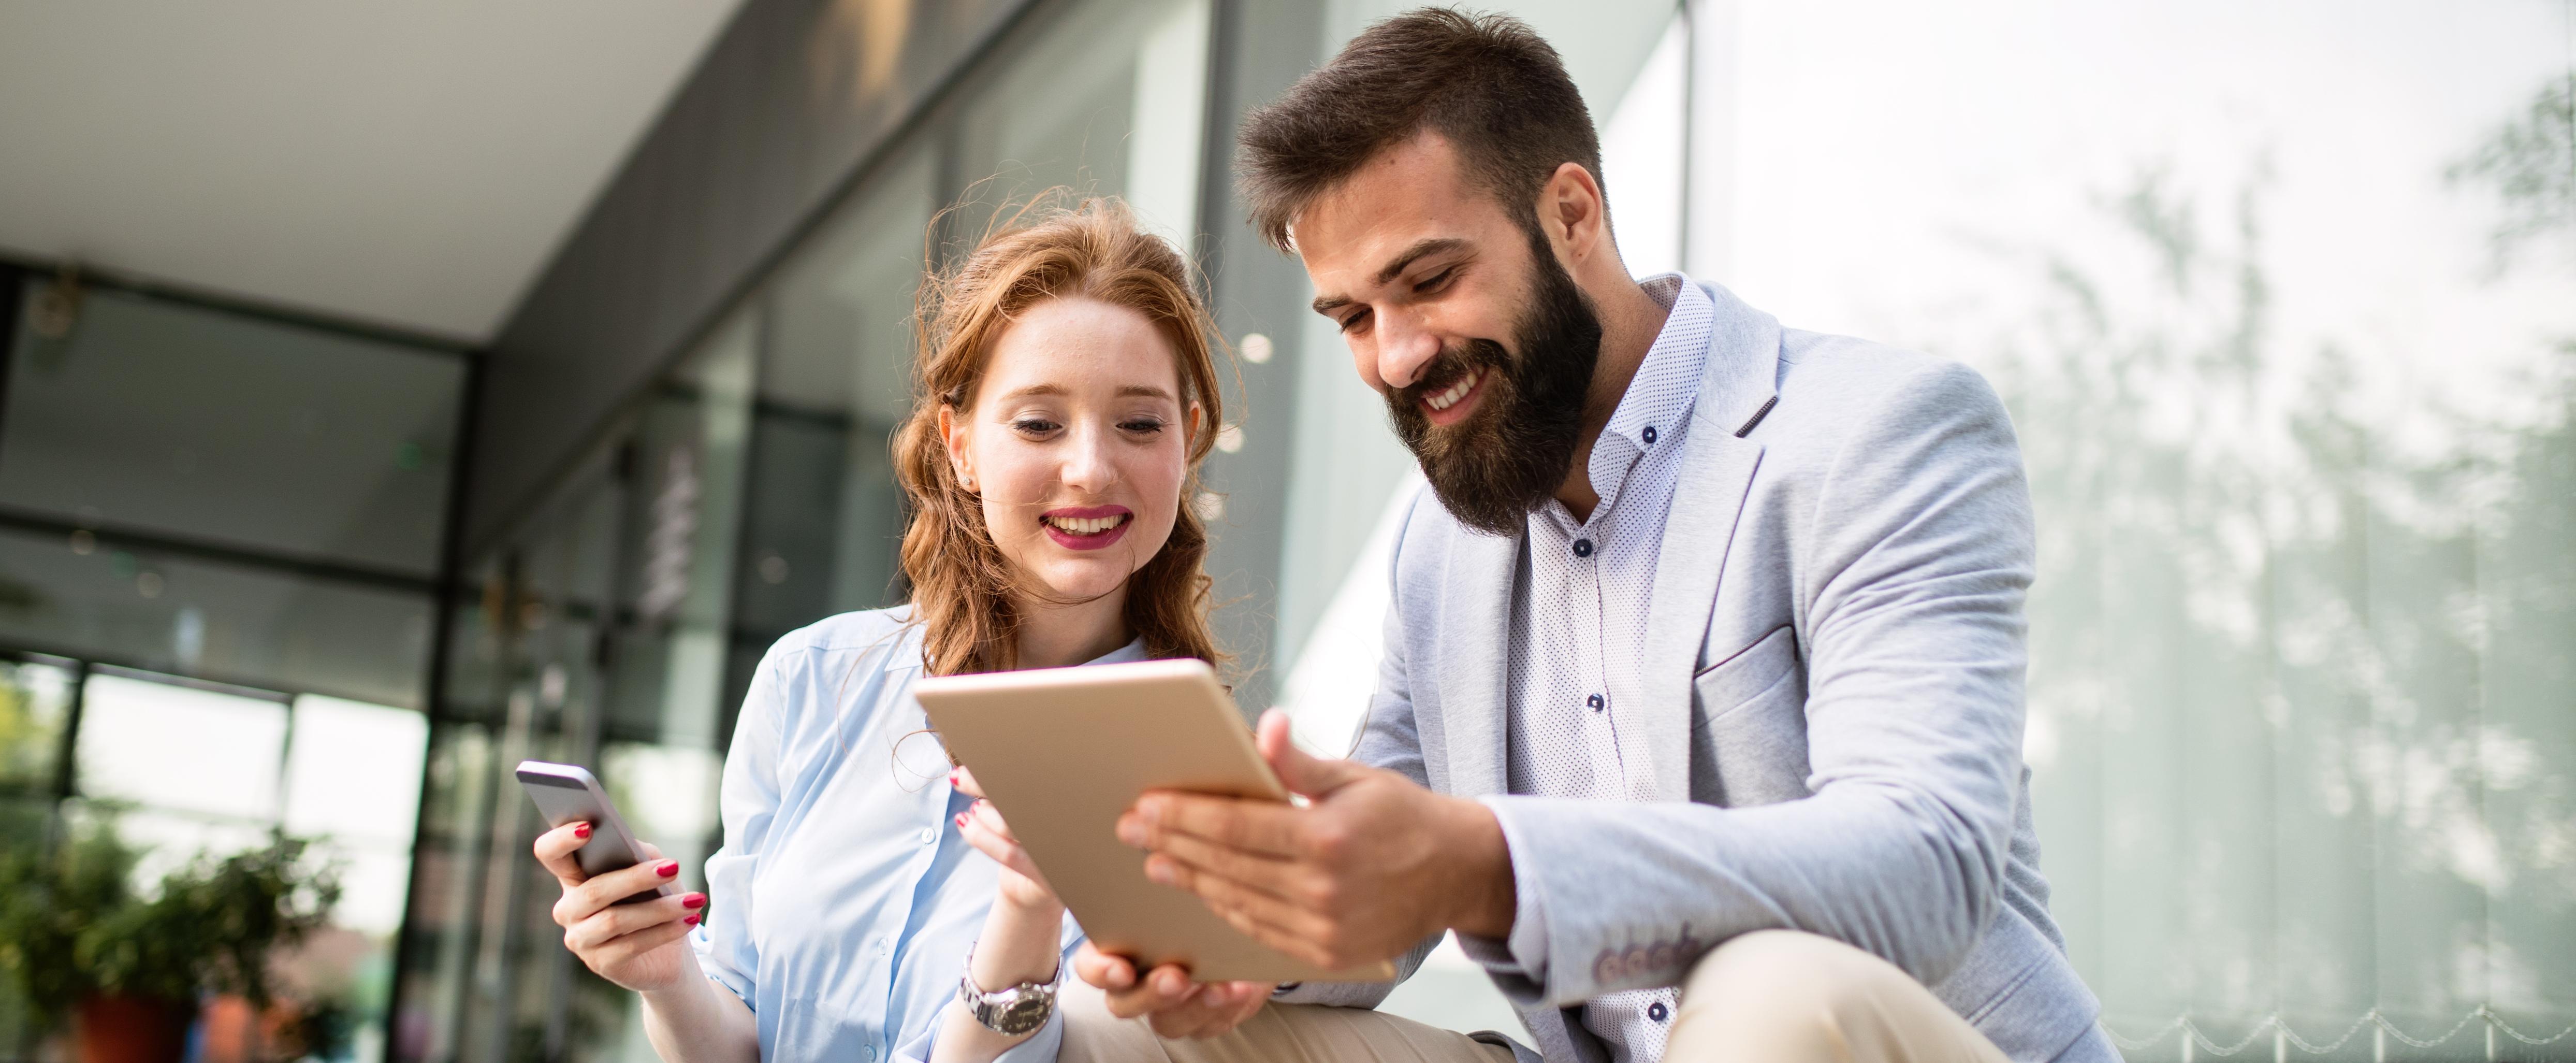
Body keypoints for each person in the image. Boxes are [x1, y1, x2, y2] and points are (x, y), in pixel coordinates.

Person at [1086, 11, 2116, 1063]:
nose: (1393, 357)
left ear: (1572, 214)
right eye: (1352, 317)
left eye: (1430, 281)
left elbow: (1923, 865)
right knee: (1114, 1036)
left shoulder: (1878, 432)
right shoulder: (1438, 553)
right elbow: (1390, 887)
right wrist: (1238, 925)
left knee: (1770, 983)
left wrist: (1487, 865)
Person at [526, 198, 1494, 1063]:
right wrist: (663, 974)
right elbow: (736, 1034)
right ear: (961, 447)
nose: (1090, 470)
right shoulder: (811, 681)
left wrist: (1031, 911)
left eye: (1140, 426)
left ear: (1188, 443)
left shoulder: (1195, 777)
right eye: (1038, 425)